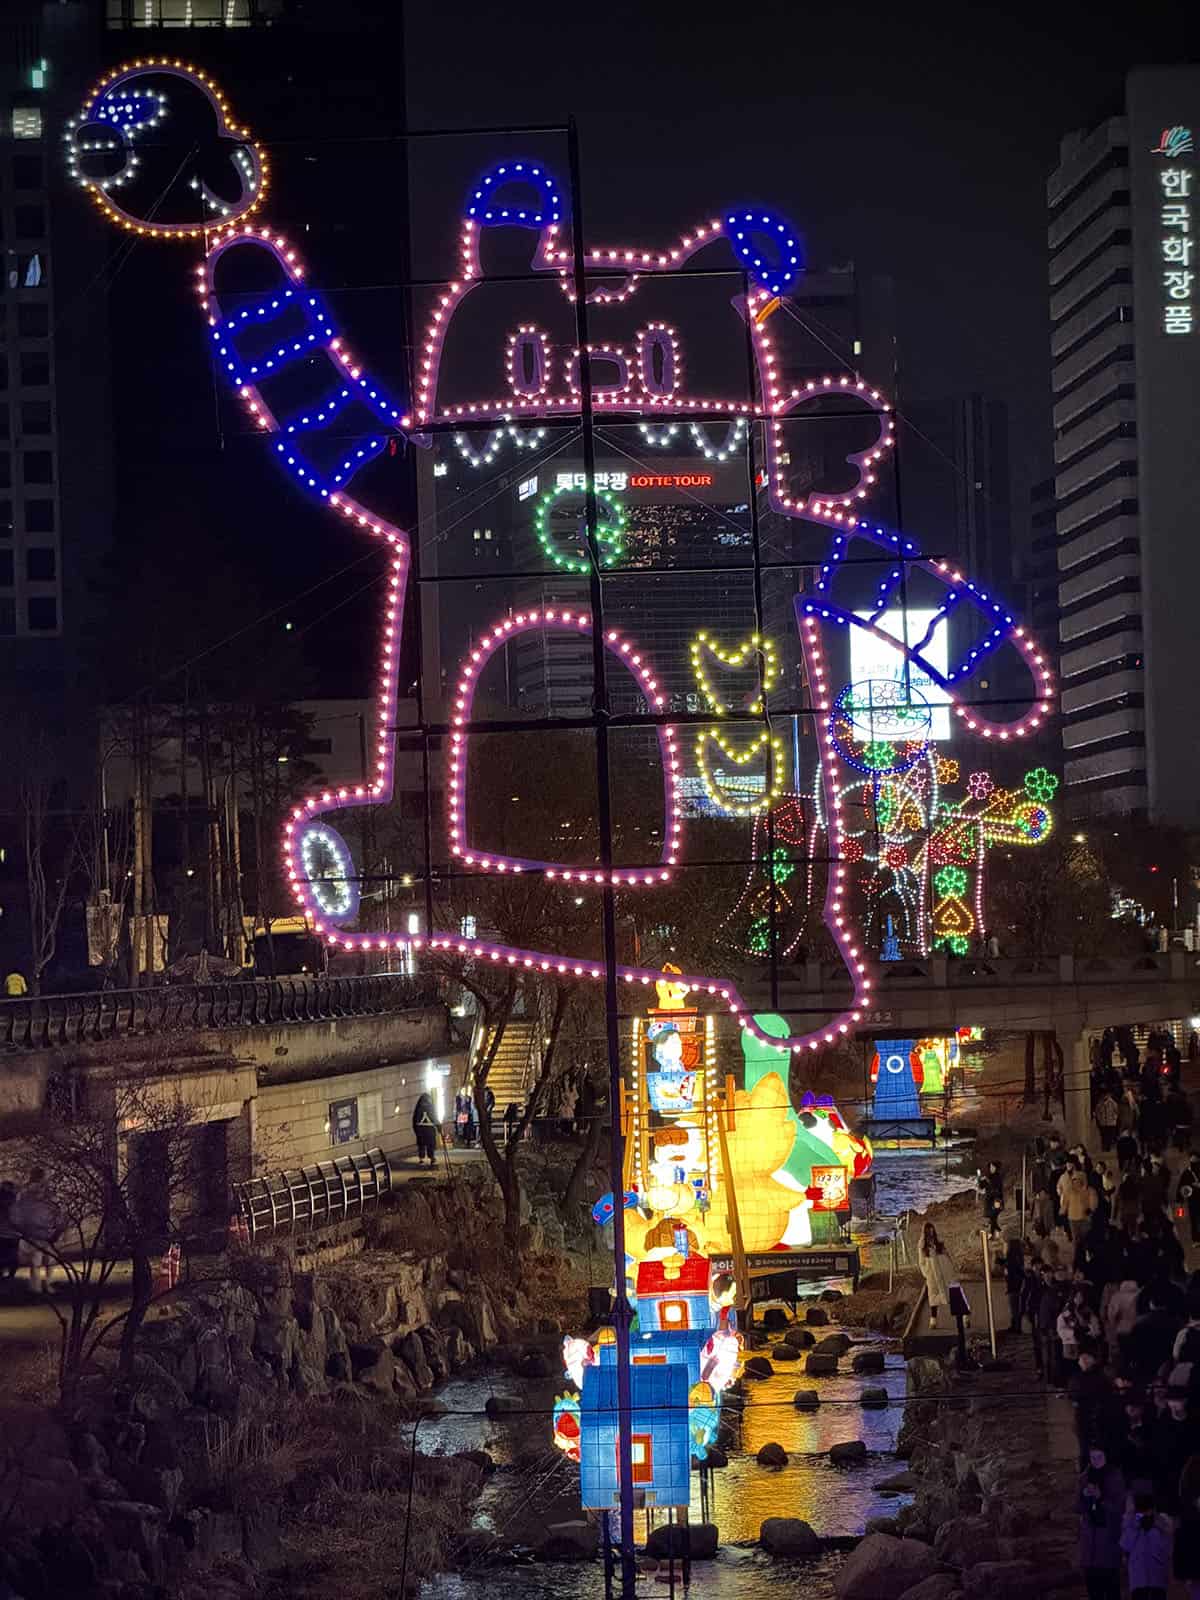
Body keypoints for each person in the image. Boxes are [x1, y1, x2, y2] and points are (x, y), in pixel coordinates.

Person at [1078, 1444, 1126, 1600]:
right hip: (1090, 1537)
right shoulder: (1084, 1478)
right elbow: (1077, 1507)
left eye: (1100, 1457)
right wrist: (1084, 1496)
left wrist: (1101, 1498)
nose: (1096, 1461)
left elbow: (1119, 1507)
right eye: (1093, 1457)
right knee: (1093, 1585)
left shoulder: (1114, 1476)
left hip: (1107, 1535)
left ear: (1106, 1457)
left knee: (1110, 1584)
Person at [10, 1169, 59, 1295]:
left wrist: (20, 1226)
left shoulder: (25, 1192)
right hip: (44, 1230)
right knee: (49, 1260)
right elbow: (54, 1208)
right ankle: (46, 1285)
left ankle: (36, 1287)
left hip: (33, 1230)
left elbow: (18, 1210)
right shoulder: (46, 1192)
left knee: (36, 1261)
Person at [1121, 1492, 1173, 1600]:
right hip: (1138, 1579)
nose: (1145, 1515)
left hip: (1157, 1579)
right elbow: (1125, 1545)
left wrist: (1158, 1527)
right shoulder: (1131, 1524)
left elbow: (1167, 1550)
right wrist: (1135, 1525)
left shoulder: (1161, 1524)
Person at [918, 1222, 954, 1326]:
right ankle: (933, 1320)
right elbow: (921, 1262)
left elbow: (947, 1256)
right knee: (933, 1297)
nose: (931, 1232)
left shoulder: (938, 1243)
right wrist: (926, 1273)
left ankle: (964, 1315)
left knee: (951, 1294)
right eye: (929, 1231)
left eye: (932, 1230)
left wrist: (950, 1268)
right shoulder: (922, 1246)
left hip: (944, 1272)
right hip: (932, 1275)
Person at [1003, 1235, 1025, 1333]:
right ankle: (1017, 1325)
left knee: (1014, 1308)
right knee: (1017, 1308)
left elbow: (1010, 1273)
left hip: (1013, 1287)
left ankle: (1016, 1326)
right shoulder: (1020, 1259)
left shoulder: (1011, 1260)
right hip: (1018, 1286)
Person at [411, 1089, 439, 1167]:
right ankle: (431, 1158)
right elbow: (434, 1117)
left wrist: (416, 1129)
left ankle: (421, 1159)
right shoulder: (430, 1107)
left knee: (421, 1144)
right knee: (430, 1144)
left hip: (420, 1128)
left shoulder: (418, 1107)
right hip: (429, 1128)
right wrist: (438, 1126)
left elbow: (414, 1119)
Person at [1177, 1155, 1200, 1247]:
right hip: (1193, 1201)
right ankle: (1196, 1239)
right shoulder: (1186, 1173)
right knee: (1194, 1220)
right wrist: (1180, 1200)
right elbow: (1181, 1187)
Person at [979, 1162, 1004, 1238]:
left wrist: (987, 1180)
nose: (991, 1168)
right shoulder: (988, 1176)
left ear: (996, 1168)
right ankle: (997, 1232)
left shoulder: (998, 1177)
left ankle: (993, 1233)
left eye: (993, 1167)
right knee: (992, 1218)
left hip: (996, 1200)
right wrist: (980, 1180)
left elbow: (996, 1188)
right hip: (989, 1200)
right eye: (990, 1167)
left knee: (993, 1217)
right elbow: (981, 1187)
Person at [0, 1181, 19, 1278]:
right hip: (11, 1233)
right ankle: (11, 1274)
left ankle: (7, 1274)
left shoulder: (12, 1199)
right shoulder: (14, 1199)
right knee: (11, 1255)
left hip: (7, 1232)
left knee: (5, 1254)